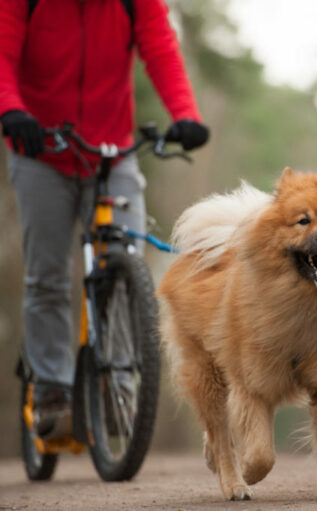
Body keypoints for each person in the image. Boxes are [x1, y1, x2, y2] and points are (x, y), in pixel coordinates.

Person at [0, 0, 209, 438]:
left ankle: (117, 385)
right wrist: (10, 109)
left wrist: (186, 115)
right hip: (40, 151)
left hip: (112, 152)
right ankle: (52, 388)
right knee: (48, 275)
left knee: (125, 256)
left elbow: (161, 51)